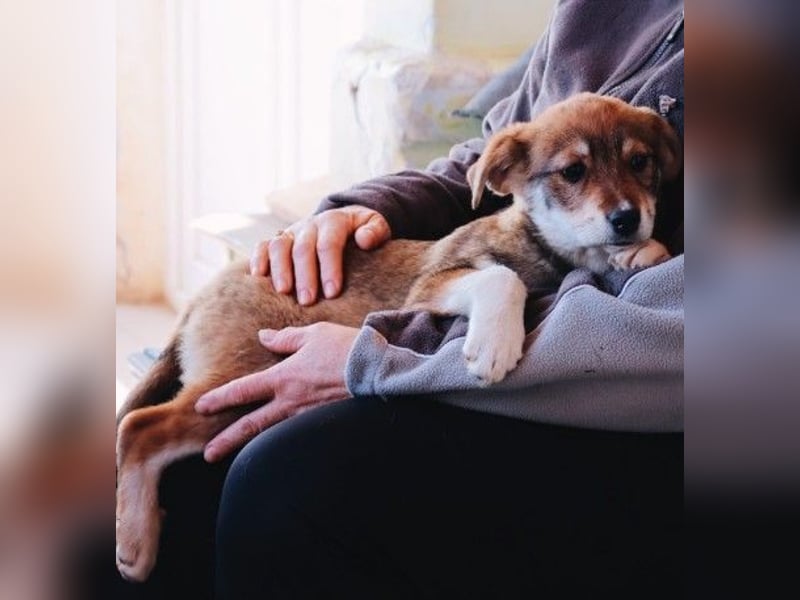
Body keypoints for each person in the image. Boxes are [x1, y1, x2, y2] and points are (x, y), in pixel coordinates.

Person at [101, 1, 683, 597]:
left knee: (278, 479)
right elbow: (478, 165)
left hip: (639, 406)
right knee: (162, 497)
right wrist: (363, 210)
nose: (619, 200)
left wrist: (383, 355)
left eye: (640, 166)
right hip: (355, 311)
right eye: (578, 175)